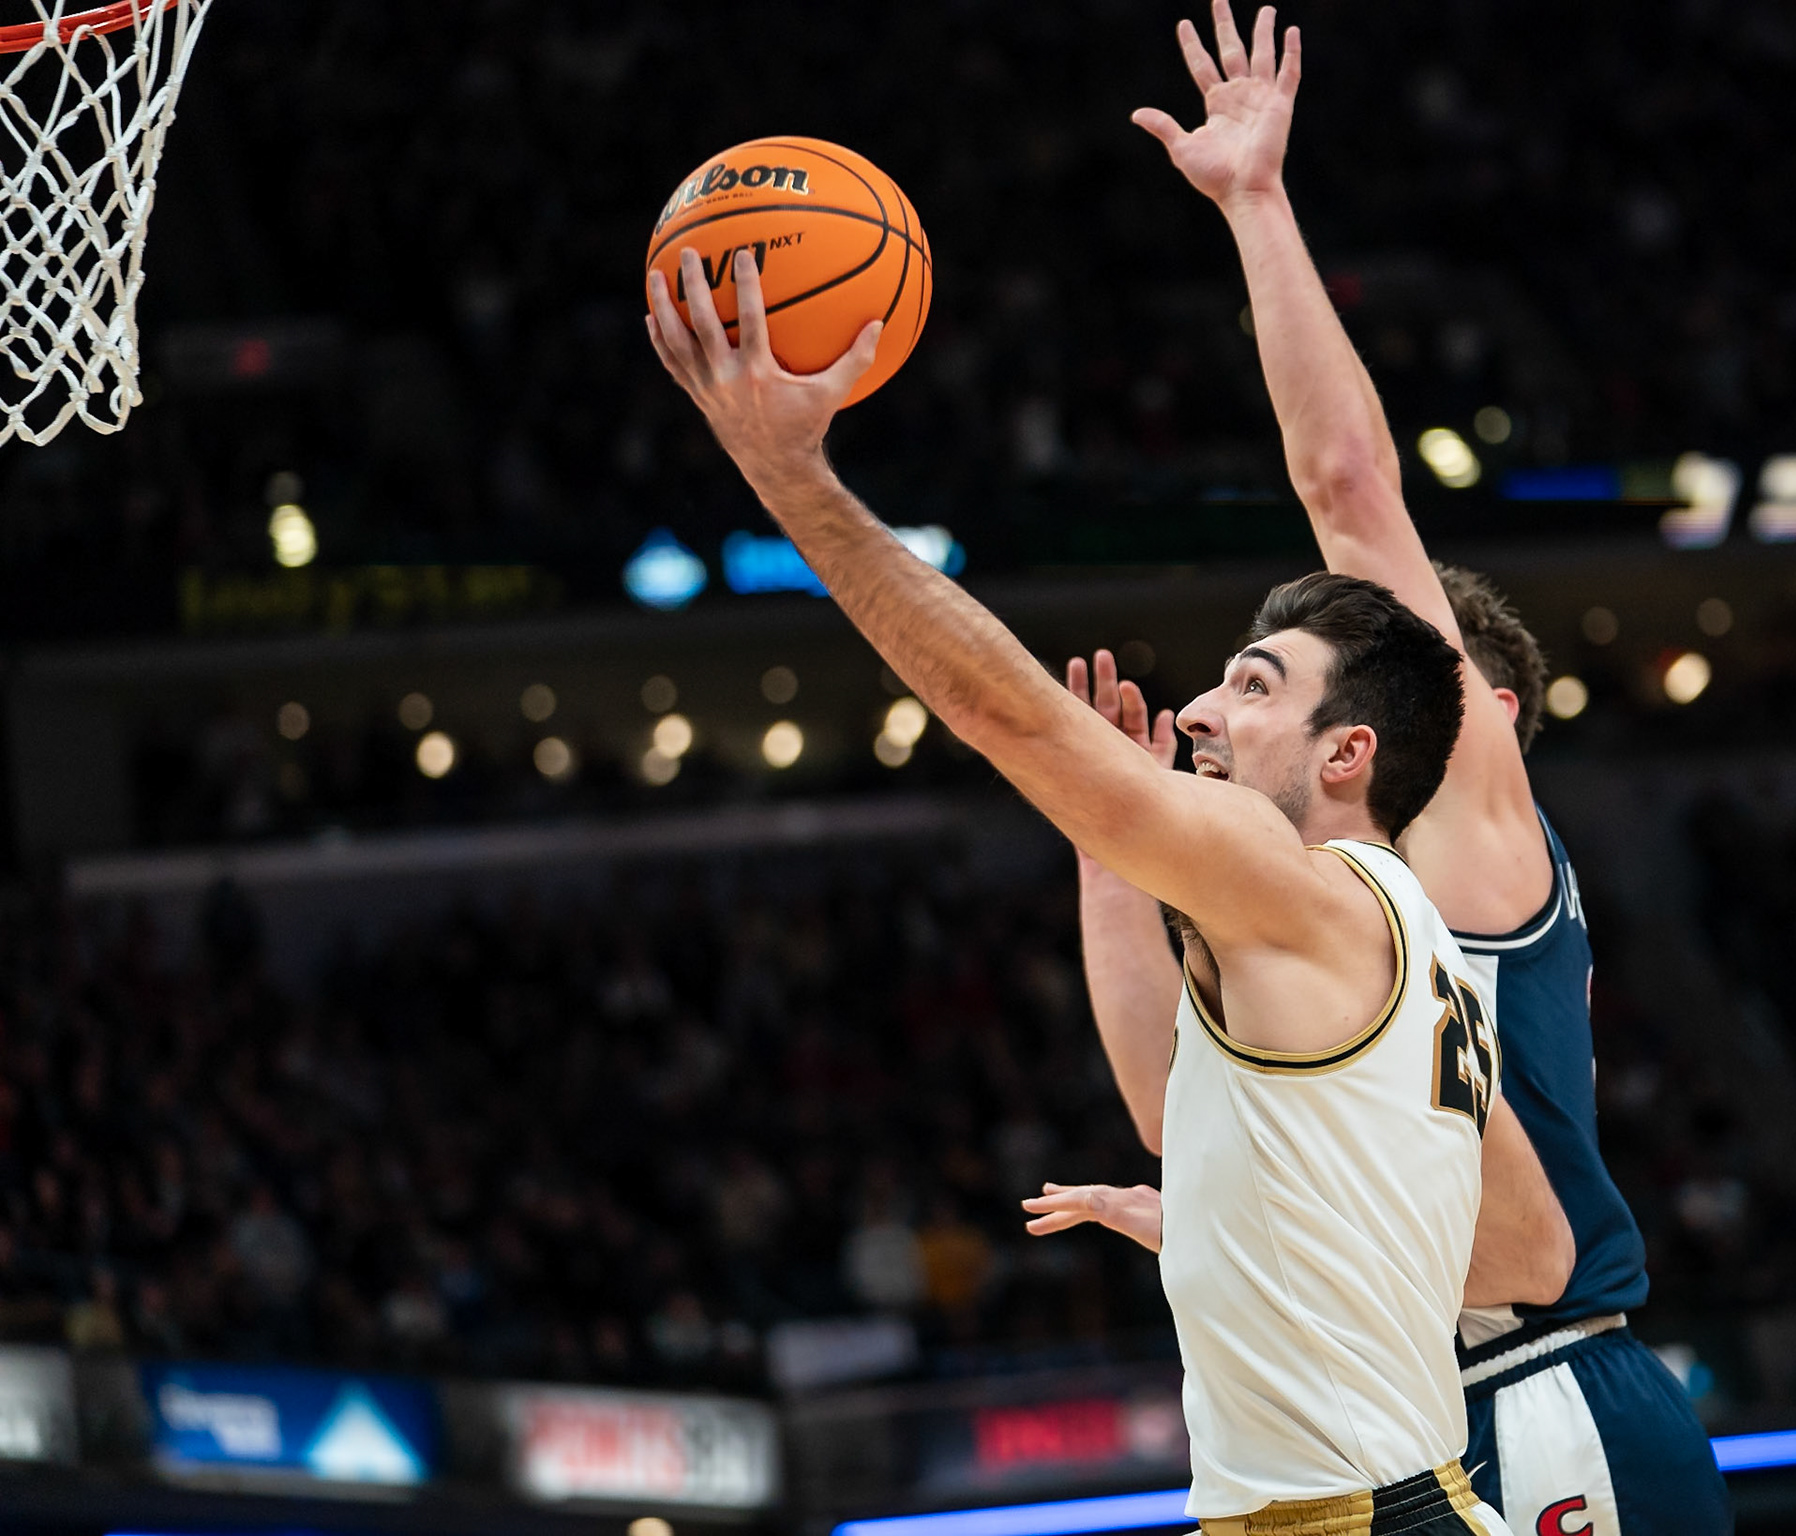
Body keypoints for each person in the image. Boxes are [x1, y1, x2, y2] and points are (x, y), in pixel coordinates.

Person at [647, 232, 1547, 1533]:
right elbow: (1519, 1251)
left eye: (1253, 686)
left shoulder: (1291, 878)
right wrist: (1245, 1229)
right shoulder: (1400, 934)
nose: (1196, 709)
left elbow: (1003, 714)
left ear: (1349, 754)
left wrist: (794, 482)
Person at [1027, 9, 1731, 1534]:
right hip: (1402, 1432)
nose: (1235, 703)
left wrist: (1258, 207)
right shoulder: (1310, 906)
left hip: (1541, 1391)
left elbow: (1350, 490)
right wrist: (1110, 854)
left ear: (1457, 710)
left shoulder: (1466, 819)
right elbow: (1171, 1107)